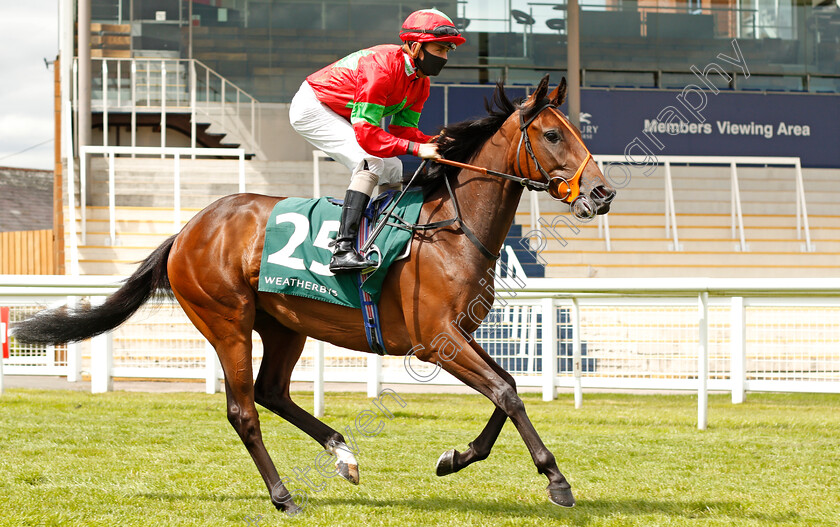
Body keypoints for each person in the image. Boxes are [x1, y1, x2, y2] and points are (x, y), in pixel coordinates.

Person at [289, 8, 465, 273]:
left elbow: (402, 130)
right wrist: (418, 149)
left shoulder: (420, 83)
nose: (445, 58)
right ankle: (343, 249)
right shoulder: (381, 68)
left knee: (393, 167)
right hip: (313, 106)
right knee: (369, 161)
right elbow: (369, 136)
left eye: (448, 51)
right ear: (416, 47)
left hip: (343, 114)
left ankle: (383, 238)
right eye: (440, 50)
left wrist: (435, 141)